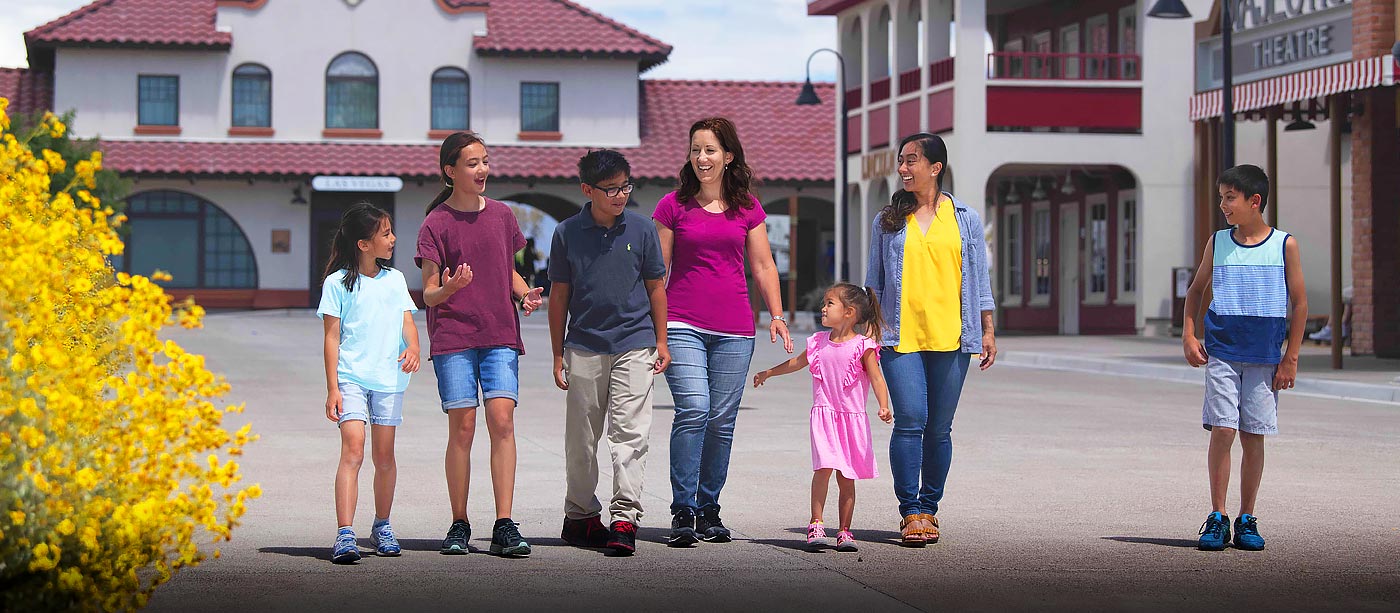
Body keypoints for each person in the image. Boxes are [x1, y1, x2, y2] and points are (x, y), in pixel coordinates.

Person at [652, 117, 794, 546]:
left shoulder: (747, 207)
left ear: (728, 156)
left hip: (735, 328)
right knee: (694, 409)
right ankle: (682, 508)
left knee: (721, 421)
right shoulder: (672, 206)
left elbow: (764, 265)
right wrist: (653, 329)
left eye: (710, 150)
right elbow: (657, 273)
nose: (702, 158)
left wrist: (778, 314)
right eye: (695, 150)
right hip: (681, 322)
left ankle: (708, 508)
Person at [416, 131, 544, 557]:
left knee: (502, 421)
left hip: (500, 335)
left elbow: (506, 271)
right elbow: (428, 293)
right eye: (472, 163)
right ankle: (459, 523)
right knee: (464, 427)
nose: (482, 169)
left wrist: (524, 293)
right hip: (453, 338)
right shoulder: (435, 223)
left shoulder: (504, 215)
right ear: (450, 171)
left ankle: (505, 523)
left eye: (485, 161)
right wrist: (450, 287)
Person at [866, 132, 996, 546]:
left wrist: (988, 328)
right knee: (909, 422)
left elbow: (979, 280)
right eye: (901, 161)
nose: (903, 168)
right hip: (899, 337)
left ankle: (929, 509)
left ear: (935, 167)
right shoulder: (887, 219)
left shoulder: (965, 218)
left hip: (953, 338)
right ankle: (910, 512)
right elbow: (874, 281)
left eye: (911, 161)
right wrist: (870, 327)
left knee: (939, 429)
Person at [548, 149, 670, 556]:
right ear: (588, 190)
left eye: (625, 187)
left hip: (635, 344)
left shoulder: (642, 228)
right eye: (611, 189)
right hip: (583, 345)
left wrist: (661, 340)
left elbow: (656, 287)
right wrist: (556, 353)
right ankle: (580, 517)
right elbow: (559, 296)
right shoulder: (566, 232)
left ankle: (624, 518)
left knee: (630, 436)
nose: (620, 196)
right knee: (581, 440)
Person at [1182, 164, 1307, 551]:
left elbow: (1300, 303)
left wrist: (1292, 358)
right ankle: (1217, 517)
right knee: (1223, 429)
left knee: (1254, 436)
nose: (1223, 205)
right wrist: (1189, 334)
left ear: (1255, 201)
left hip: (1265, 357)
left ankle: (1247, 518)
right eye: (1221, 197)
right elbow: (1196, 291)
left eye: (1229, 197)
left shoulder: (1284, 244)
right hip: (1221, 353)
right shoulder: (1218, 243)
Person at [752, 283, 892, 553]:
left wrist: (883, 406)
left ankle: (844, 530)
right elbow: (797, 362)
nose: (823, 308)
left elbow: (876, 378)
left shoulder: (863, 346)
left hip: (852, 421)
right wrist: (768, 372)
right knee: (823, 469)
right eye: (825, 303)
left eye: (829, 303)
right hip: (825, 416)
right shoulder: (817, 342)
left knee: (846, 476)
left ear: (849, 312)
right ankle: (816, 524)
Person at [317, 203, 420, 564]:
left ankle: (382, 526)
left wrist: (414, 347)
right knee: (354, 450)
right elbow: (332, 338)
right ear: (363, 244)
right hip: (351, 379)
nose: (392, 239)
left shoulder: (395, 279)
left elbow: (407, 320)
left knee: (384, 457)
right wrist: (332, 388)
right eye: (385, 233)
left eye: (391, 232)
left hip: (391, 380)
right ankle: (345, 533)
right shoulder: (336, 284)